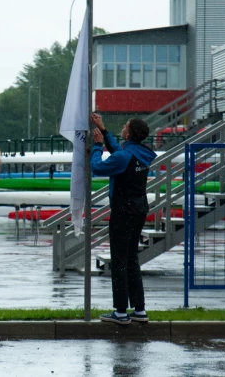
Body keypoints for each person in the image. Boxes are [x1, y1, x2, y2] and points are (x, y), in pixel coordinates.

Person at [90, 113, 157, 325]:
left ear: (128, 133)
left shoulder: (124, 157)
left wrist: (97, 146)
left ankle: (120, 312)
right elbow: (121, 153)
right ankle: (139, 309)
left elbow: (97, 167)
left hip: (122, 211)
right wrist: (104, 131)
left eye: (125, 125)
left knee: (119, 261)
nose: (123, 127)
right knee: (132, 260)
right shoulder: (140, 153)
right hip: (139, 210)